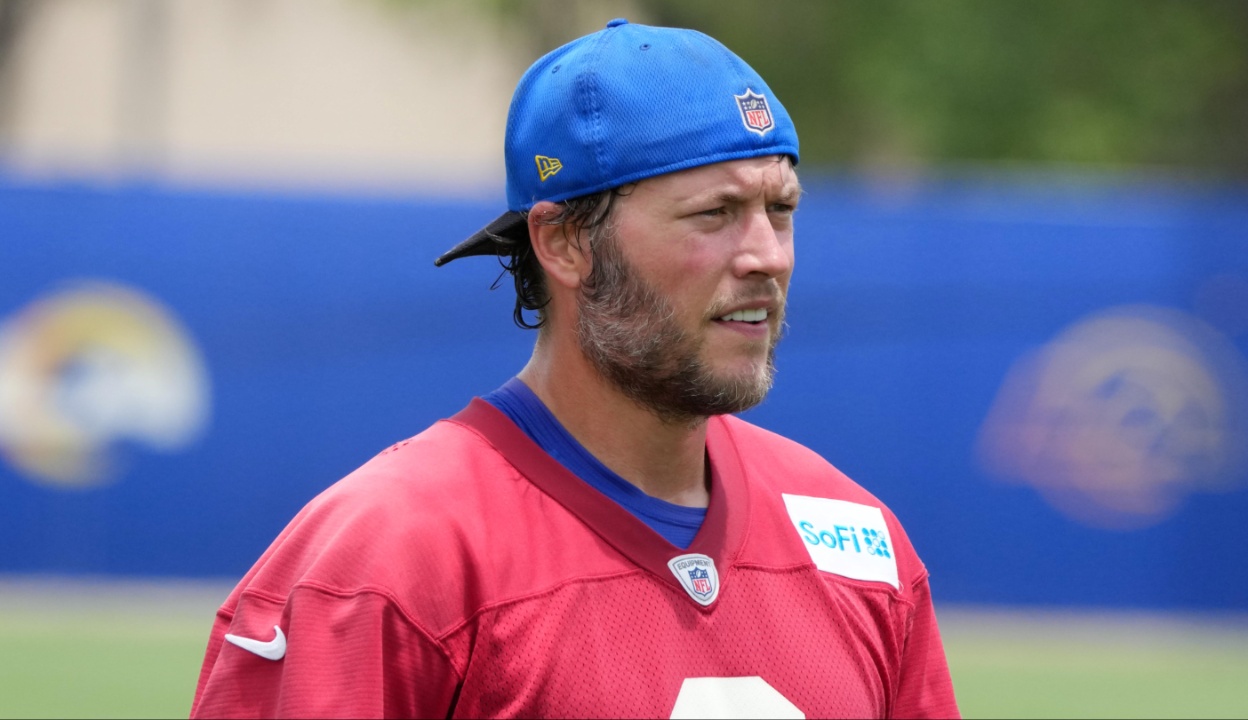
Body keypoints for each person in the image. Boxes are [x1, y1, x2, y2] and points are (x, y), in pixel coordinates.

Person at [191, 19, 958, 719]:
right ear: (562, 243)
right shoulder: (387, 555)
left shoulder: (863, 544)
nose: (768, 256)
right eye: (713, 214)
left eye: (780, 209)